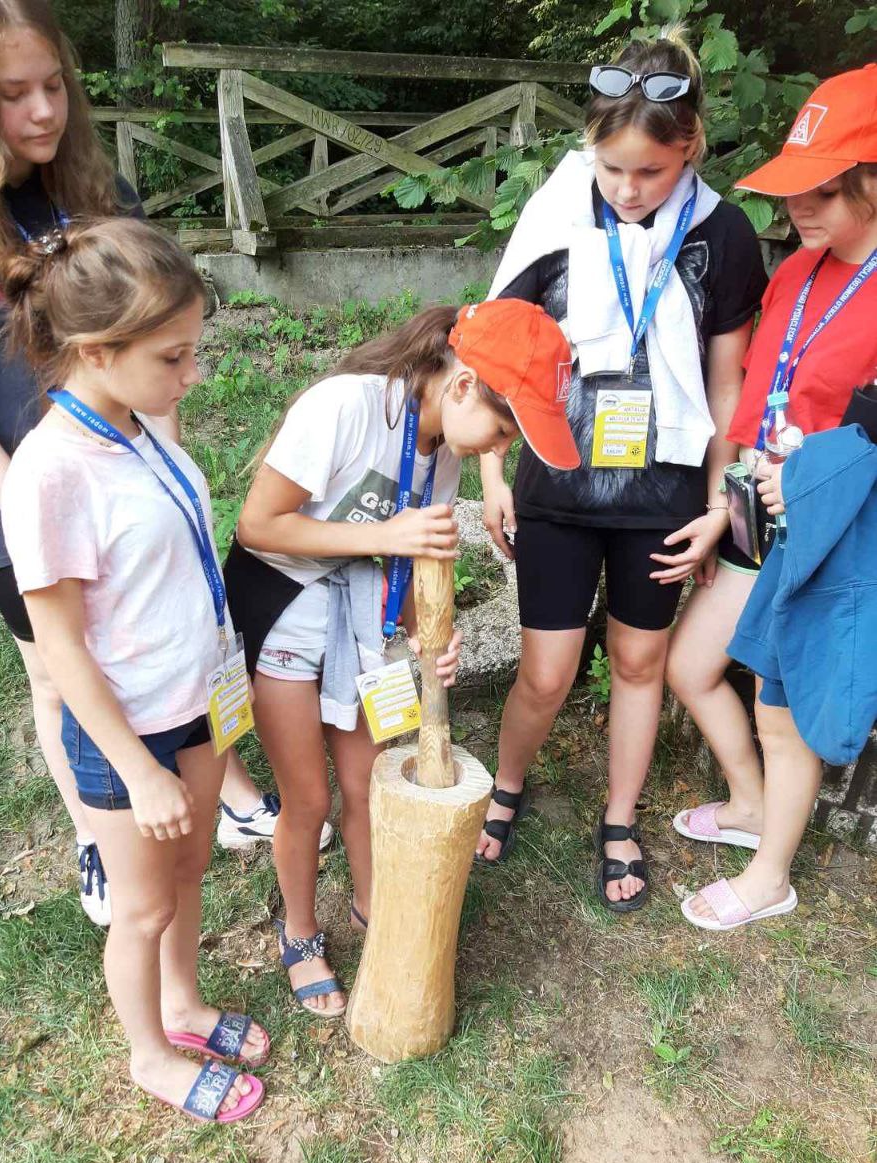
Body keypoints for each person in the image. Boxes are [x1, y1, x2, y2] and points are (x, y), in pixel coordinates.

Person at [0, 0, 299, 928]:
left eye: (54, 85)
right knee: (64, 672)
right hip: (19, 505)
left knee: (170, 639)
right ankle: (99, 830)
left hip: (136, 494)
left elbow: (154, 346)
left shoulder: (100, 187)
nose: (45, 111)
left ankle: (222, 784)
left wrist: (164, 482)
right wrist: (38, 512)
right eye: (13, 95)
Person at [475, 29, 766, 913]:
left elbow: (726, 382)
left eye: (651, 172)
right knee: (547, 671)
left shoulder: (724, 234)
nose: (628, 190)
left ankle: (618, 815)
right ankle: (507, 784)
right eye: (611, 169)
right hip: (557, 483)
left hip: (664, 494)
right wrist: (492, 476)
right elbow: (500, 354)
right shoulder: (554, 213)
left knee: (640, 661)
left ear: (692, 146)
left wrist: (719, 505)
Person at [226, 299, 579, 1014]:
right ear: (463, 385)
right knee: (309, 798)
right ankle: (299, 931)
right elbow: (258, 525)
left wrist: (425, 637)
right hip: (284, 608)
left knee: (368, 784)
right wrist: (385, 535)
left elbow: (408, 561)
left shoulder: (442, 448)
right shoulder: (345, 407)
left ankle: (373, 908)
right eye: (502, 429)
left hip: (364, 618)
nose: (499, 448)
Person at [0, 217, 269, 1122]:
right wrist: (138, 771)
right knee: (142, 909)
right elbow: (62, 648)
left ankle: (183, 1005)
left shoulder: (135, 424)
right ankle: (149, 1056)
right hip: (130, 733)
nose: (192, 376)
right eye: (173, 357)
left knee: (189, 872)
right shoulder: (50, 474)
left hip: (193, 701)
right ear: (96, 352)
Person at [674, 66, 877, 929]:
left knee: (780, 703)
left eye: (824, 190)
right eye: (795, 186)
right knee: (690, 665)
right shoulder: (794, 271)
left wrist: (807, 482)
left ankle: (771, 877)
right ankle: (753, 804)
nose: (799, 206)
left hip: (833, 532)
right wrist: (724, 510)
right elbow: (760, 403)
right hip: (759, 514)